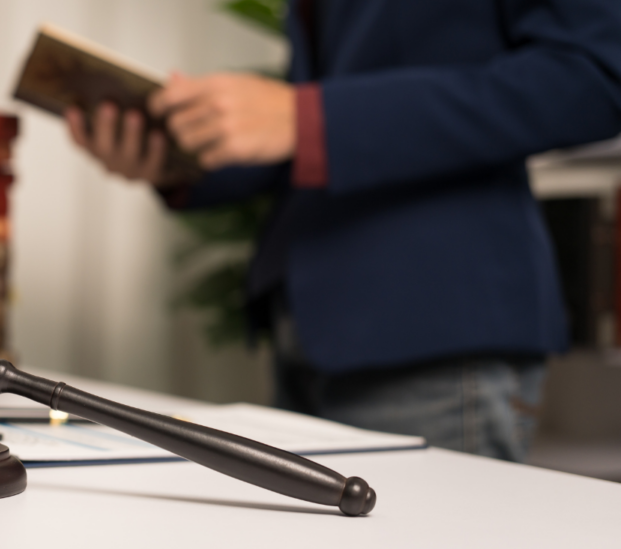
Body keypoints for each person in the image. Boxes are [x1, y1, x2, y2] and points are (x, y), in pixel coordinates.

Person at [63, 0, 621, 462]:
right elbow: (323, 126)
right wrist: (179, 162)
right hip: (309, 327)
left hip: (433, 326)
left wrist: (310, 117)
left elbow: (599, 75)